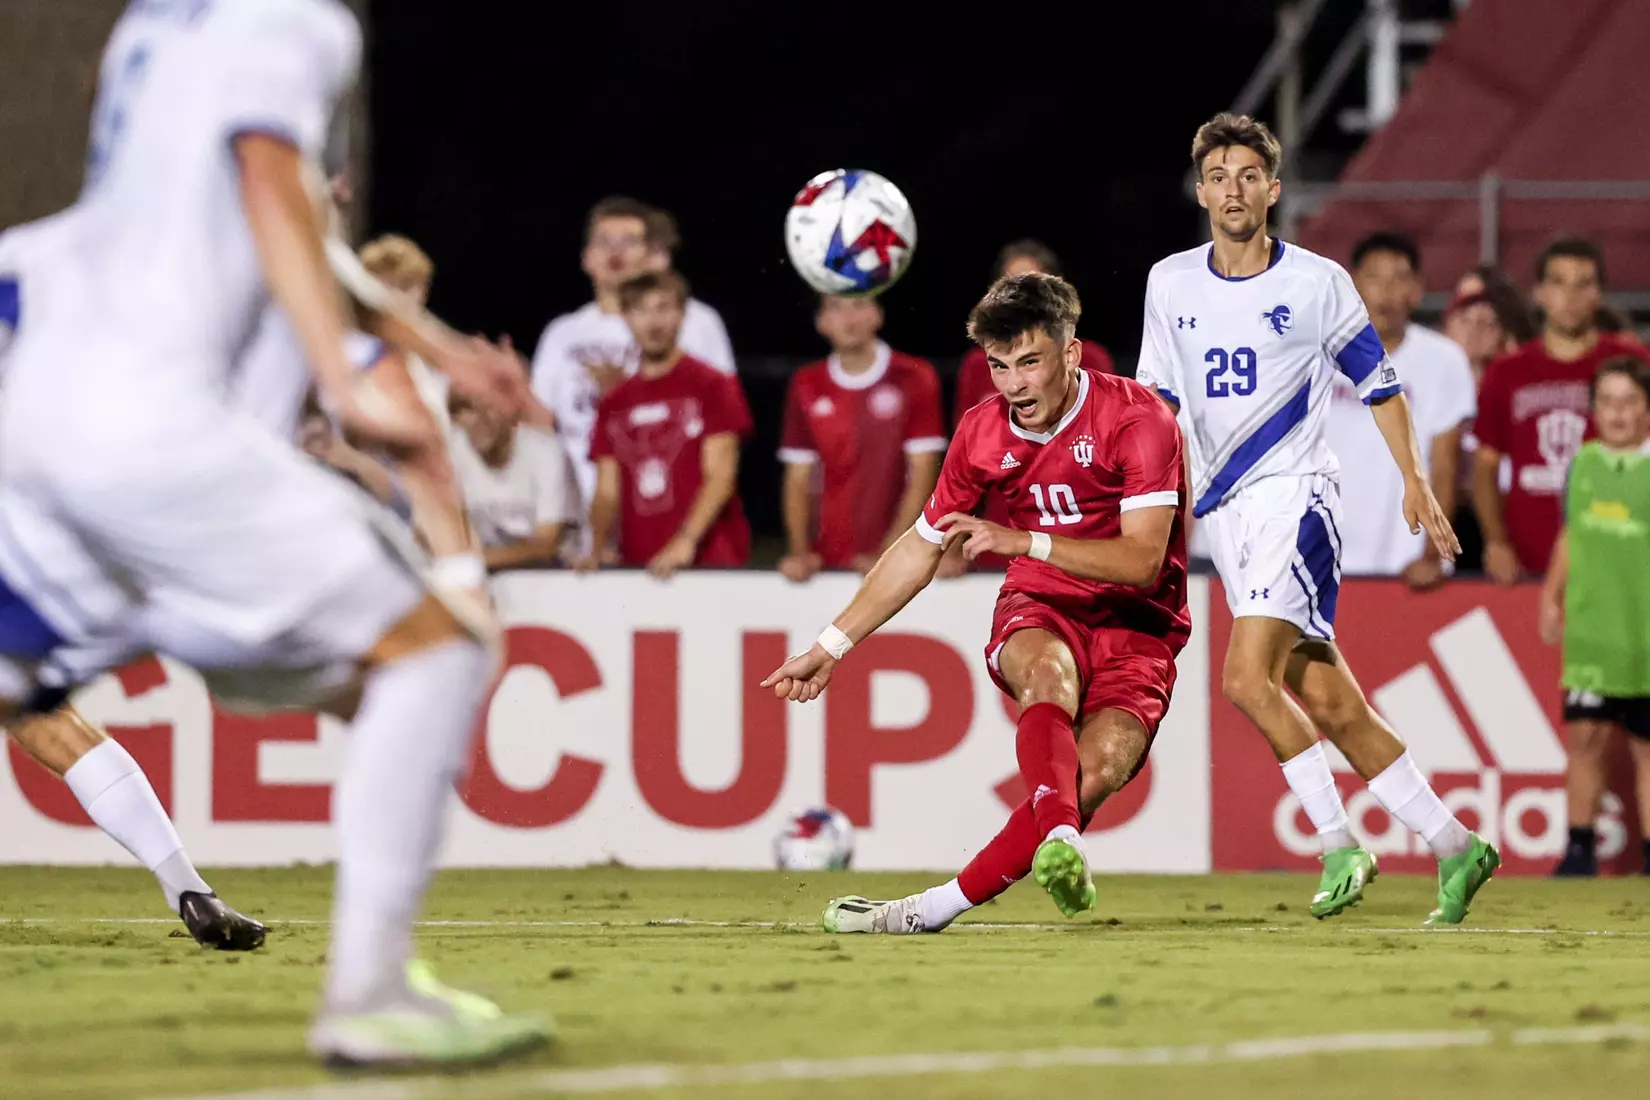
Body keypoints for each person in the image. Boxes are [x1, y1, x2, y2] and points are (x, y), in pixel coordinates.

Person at [0, 0, 544, 1068]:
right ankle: (370, 993)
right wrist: (349, 378)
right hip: (153, 434)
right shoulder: (296, 21)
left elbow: (264, 199)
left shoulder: (153, 27)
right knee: (441, 649)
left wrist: (423, 339)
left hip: (42, 413)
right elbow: (268, 176)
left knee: (27, 692)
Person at [1132, 112, 1497, 925]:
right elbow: (1158, 397)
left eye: (1248, 175)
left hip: (1297, 499)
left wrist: (1415, 480)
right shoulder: (1169, 282)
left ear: (1273, 188)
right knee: (1330, 704)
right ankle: (1456, 846)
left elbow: (1380, 382)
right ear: (1202, 191)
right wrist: (1154, 498)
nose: (1233, 189)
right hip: (1224, 514)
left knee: (1241, 680)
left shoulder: (1317, 280)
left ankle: (1337, 842)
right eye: (1219, 176)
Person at [764, 272, 1189, 929]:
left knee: (1099, 771)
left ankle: (936, 904)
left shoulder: (1139, 419)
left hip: (1142, 622)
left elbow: (1141, 562)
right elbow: (920, 547)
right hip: (1042, 602)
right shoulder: (983, 431)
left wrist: (1020, 536)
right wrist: (830, 645)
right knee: (1046, 677)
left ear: (1070, 354)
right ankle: (1052, 845)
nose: (1015, 385)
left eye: (1030, 363)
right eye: (999, 366)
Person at [529, 197, 735, 522]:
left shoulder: (692, 320)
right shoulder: (562, 333)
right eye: (604, 241)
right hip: (578, 509)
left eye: (628, 241)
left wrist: (625, 395)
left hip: (667, 509)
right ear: (586, 258)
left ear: (653, 255)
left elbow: (723, 420)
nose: (615, 252)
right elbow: (539, 423)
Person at [1472, 237, 1647, 583]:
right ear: (1539, 292)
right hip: (1525, 567)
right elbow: (1484, 466)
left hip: (1615, 561)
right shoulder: (1507, 372)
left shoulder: (1631, 363)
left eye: (1583, 285)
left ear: (1599, 294)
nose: (1570, 297)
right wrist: (1495, 542)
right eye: (1559, 283)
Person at [1539, 356, 1650, 877]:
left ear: (1646, 408)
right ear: (1593, 410)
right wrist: (1550, 596)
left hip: (1644, 636)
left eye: (1629, 402)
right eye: (1607, 402)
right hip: (1592, 634)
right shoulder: (1581, 465)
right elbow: (1570, 534)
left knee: (1646, 749)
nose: (1618, 413)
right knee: (1584, 740)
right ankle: (1578, 850)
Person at [943, 240, 1115, 577]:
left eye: (1033, 288)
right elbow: (966, 472)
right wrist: (952, 545)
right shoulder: (977, 366)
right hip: (1000, 553)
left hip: (1084, 554)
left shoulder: (1096, 364)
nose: (1014, 384)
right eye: (1010, 290)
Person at [577, 270, 751, 577]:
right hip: (639, 564)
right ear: (626, 318)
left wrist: (685, 540)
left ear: (682, 315)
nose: (654, 322)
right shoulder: (614, 402)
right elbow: (606, 490)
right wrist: (598, 545)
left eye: (663, 308)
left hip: (709, 562)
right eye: (641, 310)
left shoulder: (713, 385)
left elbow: (721, 475)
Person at [1329, 232, 1477, 586]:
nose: (1386, 291)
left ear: (1417, 289)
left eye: (1399, 278)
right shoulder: (1316, 357)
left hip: (1405, 569)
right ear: (1352, 285)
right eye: (1374, 277)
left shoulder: (1443, 361)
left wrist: (1432, 554)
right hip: (1318, 564)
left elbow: (1446, 465)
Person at [776, 295, 945, 579]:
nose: (849, 317)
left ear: (878, 315)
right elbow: (797, 479)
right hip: (825, 563)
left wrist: (890, 552)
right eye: (835, 307)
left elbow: (924, 474)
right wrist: (799, 552)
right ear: (821, 323)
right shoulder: (806, 383)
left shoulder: (915, 376)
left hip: (900, 561)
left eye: (859, 304)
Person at [450, 393, 580, 572]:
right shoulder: (453, 452)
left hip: (557, 575)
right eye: (466, 409)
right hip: (484, 576)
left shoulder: (545, 451)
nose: (480, 419)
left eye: (489, 407)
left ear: (512, 412)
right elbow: (432, 532)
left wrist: (472, 558)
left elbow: (547, 545)